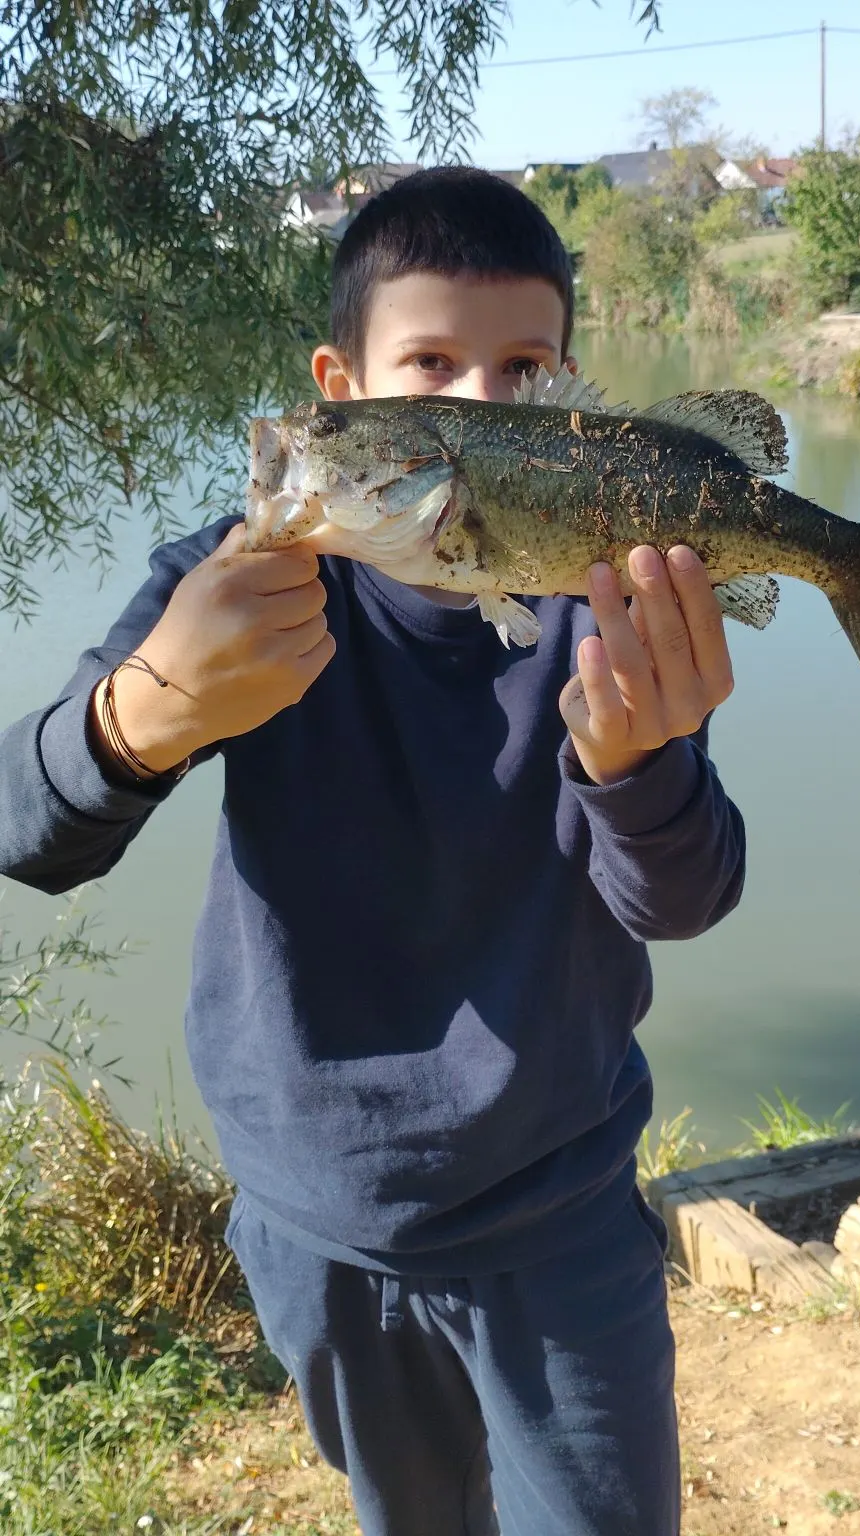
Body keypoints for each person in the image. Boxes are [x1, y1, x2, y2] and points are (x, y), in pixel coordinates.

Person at [0, 167, 747, 1536]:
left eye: (521, 370)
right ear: (342, 390)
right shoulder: (225, 586)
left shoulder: (605, 603)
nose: (476, 409)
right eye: (431, 365)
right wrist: (149, 708)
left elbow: (684, 897)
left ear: (569, 392)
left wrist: (634, 763)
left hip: (561, 1215)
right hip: (317, 1218)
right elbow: (29, 834)